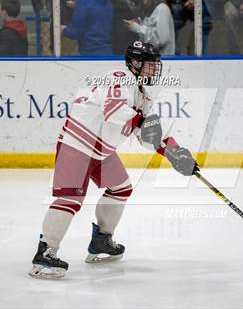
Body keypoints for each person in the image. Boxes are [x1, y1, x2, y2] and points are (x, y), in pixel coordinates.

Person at [29, 41, 199, 279]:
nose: (154, 69)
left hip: (100, 150)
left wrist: (175, 153)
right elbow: (114, 111)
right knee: (71, 197)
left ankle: (101, 240)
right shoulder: (120, 78)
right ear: (135, 63)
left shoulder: (143, 93)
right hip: (77, 143)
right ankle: (44, 254)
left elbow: (147, 133)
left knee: (121, 188)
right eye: (150, 65)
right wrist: (142, 123)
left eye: (155, 65)